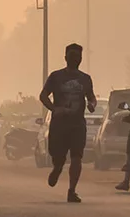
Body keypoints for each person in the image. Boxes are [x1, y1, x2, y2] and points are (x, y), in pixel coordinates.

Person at [39, 42, 97, 203]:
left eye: (78, 57)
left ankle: (72, 190)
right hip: (59, 124)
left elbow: (91, 97)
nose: (75, 59)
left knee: (77, 157)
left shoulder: (85, 79)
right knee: (58, 157)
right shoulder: (56, 77)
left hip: (77, 124)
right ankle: (57, 168)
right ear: (65, 58)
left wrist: (92, 104)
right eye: (72, 56)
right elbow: (43, 96)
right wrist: (53, 108)